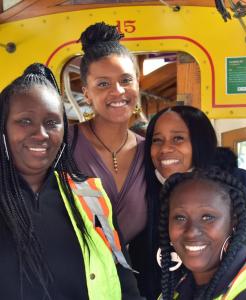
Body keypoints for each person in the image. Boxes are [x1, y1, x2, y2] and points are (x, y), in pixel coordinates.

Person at [0, 63, 142, 299]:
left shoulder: (90, 195)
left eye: (52, 122)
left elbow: (124, 283)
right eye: (25, 121)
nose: (41, 134)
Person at [130, 105, 246, 299]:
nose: (165, 148)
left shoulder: (240, 186)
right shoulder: (149, 194)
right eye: (157, 140)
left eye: (178, 138)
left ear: (200, 142)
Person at [159, 168, 246, 299]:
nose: (191, 232)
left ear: (234, 221)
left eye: (207, 217)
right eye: (180, 218)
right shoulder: (178, 289)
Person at [69, 22, 146, 244]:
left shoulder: (148, 151)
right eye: (103, 84)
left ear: (137, 84)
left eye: (126, 80)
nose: (118, 91)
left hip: (130, 276)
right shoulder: (64, 143)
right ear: (86, 94)